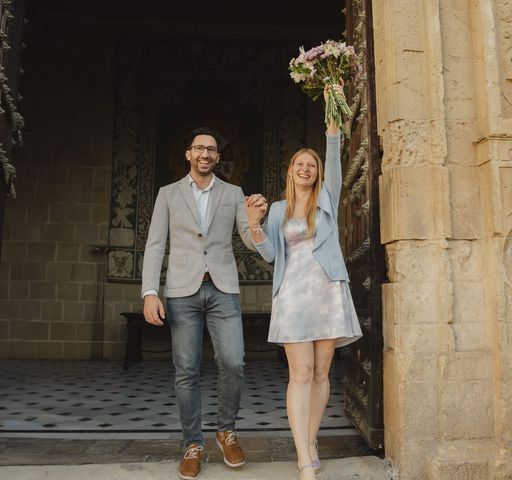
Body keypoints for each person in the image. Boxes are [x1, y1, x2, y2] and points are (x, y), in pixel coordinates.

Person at [246, 83, 362, 480]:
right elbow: (270, 255)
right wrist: (254, 226)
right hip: (294, 296)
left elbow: (333, 150)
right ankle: (302, 455)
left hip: (328, 292)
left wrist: (333, 105)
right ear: (291, 170)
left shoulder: (326, 200)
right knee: (300, 373)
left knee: (322, 373)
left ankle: (312, 439)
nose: (306, 168)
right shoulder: (277, 210)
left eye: (311, 164)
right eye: (300, 163)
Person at [142, 126, 267, 480]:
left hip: (223, 288)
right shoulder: (168, 194)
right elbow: (155, 244)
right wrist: (149, 292)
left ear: (217, 157)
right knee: (187, 371)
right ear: (188, 154)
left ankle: (226, 431)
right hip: (182, 291)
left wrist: (257, 221)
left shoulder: (233, 193)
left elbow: (247, 237)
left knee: (234, 360)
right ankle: (192, 445)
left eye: (211, 150)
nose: (205, 154)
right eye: (199, 148)